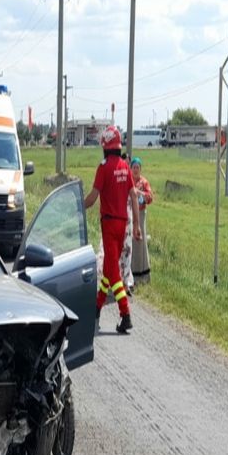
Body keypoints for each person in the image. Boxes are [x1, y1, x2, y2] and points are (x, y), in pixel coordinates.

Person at [84, 126, 141, 333]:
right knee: (109, 269)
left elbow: (93, 196)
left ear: (105, 146)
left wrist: (78, 206)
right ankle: (97, 308)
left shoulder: (103, 167)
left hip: (109, 225)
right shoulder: (125, 167)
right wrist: (136, 226)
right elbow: (134, 196)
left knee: (113, 273)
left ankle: (125, 314)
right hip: (123, 225)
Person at [130, 157, 154, 285]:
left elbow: (150, 197)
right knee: (131, 243)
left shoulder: (144, 182)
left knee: (141, 241)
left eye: (137, 167)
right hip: (129, 214)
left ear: (140, 169)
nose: (135, 170)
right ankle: (131, 273)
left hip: (140, 214)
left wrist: (140, 194)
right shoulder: (128, 181)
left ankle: (143, 274)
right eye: (133, 167)